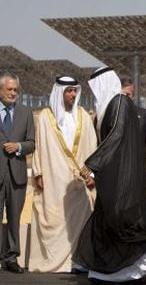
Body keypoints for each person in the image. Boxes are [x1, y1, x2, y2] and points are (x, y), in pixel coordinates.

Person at [73, 67, 146, 284]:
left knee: (121, 223)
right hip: (111, 176)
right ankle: (107, 273)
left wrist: (92, 164)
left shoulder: (119, 102)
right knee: (108, 222)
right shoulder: (110, 105)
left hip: (121, 177)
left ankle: (145, 264)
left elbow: (115, 136)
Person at [29, 76, 97, 273]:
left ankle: (79, 261)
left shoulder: (84, 115)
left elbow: (92, 147)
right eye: (68, 91)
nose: (72, 95)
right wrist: (38, 172)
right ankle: (54, 261)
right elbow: (38, 146)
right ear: (60, 92)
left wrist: (91, 174)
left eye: (75, 91)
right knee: (53, 216)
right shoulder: (44, 117)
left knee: (80, 219)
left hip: (79, 180)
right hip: (53, 176)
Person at [0, 72, 35, 273]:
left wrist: (19, 146)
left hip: (17, 175)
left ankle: (11, 257)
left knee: (14, 217)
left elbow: (32, 142)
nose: (13, 93)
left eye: (16, 90)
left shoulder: (26, 112)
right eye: (9, 89)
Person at [120, 78, 146, 149]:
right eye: (121, 95)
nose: (124, 98)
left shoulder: (145, 116)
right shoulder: (110, 114)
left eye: (128, 94)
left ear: (133, 96)